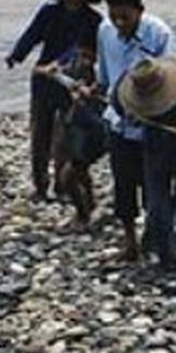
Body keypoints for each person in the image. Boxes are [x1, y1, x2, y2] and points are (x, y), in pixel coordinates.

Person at [95, 0, 176, 263]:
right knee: (123, 185)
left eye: (125, 16)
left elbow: (172, 81)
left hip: (151, 125)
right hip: (117, 123)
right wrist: (98, 92)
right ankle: (130, 243)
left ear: (140, 10)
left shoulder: (159, 35)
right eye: (113, 15)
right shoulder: (105, 31)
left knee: (155, 189)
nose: (119, 22)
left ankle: (158, 243)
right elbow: (104, 77)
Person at [5, 0, 105, 203]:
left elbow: (89, 51)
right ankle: (40, 184)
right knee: (41, 132)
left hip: (76, 81)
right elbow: (31, 35)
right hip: (44, 78)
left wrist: (61, 64)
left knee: (69, 134)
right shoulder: (49, 13)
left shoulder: (93, 20)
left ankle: (63, 183)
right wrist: (16, 56)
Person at [114, 56, 176, 275]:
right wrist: (133, 116)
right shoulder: (127, 82)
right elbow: (118, 104)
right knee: (157, 204)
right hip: (155, 146)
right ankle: (168, 256)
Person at [53, 47, 105, 230]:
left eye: (89, 57)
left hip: (93, 127)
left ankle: (83, 214)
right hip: (79, 124)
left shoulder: (102, 74)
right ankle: (88, 204)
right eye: (83, 56)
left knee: (68, 175)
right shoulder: (73, 62)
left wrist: (83, 98)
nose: (85, 61)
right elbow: (57, 73)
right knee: (78, 168)